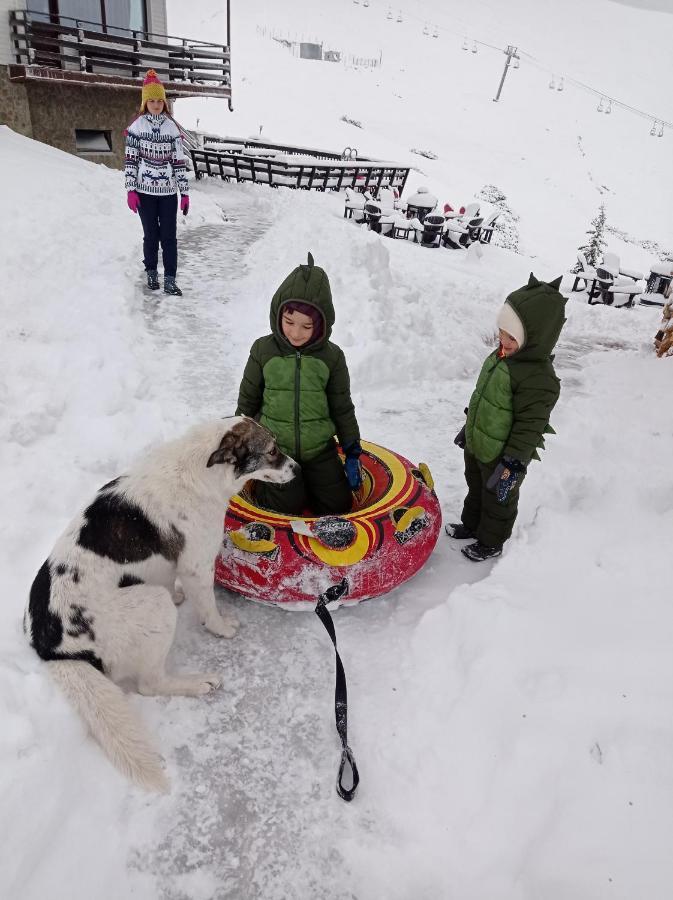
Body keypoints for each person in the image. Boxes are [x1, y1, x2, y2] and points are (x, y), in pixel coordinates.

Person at [446, 274, 567, 561]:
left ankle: (491, 541)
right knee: (475, 487)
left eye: (512, 336)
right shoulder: (500, 356)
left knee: (498, 499)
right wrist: (469, 428)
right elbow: (484, 398)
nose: (503, 339)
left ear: (536, 337)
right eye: (502, 331)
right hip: (480, 444)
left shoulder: (539, 379)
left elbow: (530, 425)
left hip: (504, 456)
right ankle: (471, 525)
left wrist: (513, 461)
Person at [236, 253, 362, 515]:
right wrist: (240, 442)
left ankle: (310, 484)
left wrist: (351, 450)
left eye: (306, 326)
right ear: (278, 313)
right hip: (275, 450)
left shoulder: (331, 357)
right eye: (289, 322)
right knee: (286, 506)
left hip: (319, 449)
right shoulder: (263, 350)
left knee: (338, 505)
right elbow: (248, 402)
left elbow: (341, 406)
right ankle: (265, 488)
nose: (295, 332)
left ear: (321, 325)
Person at [124, 69, 189, 297]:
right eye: (150, 100)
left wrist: (185, 193)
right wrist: (131, 190)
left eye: (158, 100)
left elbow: (179, 162)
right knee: (151, 235)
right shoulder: (136, 128)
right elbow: (131, 161)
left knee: (169, 237)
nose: (155, 104)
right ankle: (152, 272)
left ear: (164, 102)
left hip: (168, 193)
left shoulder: (172, 129)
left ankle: (170, 278)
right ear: (145, 102)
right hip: (145, 193)